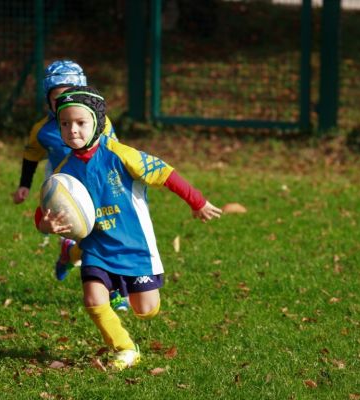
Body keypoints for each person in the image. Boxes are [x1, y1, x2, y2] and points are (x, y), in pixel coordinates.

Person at [36, 86, 223, 370]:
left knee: (145, 310)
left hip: (134, 246)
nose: (72, 130)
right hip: (97, 245)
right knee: (92, 298)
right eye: (65, 123)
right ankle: (124, 348)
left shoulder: (121, 155)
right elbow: (43, 211)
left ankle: (70, 254)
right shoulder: (64, 170)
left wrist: (197, 202)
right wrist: (44, 224)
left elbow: (166, 173)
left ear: (97, 123)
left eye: (80, 122)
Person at [12, 60, 128, 310]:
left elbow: (115, 152)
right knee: (90, 237)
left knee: (107, 233)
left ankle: (114, 287)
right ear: (48, 100)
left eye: (70, 95)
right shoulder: (42, 131)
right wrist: (24, 186)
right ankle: (76, 257)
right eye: (57, 97)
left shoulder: (101, 122)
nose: (63, 102)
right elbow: (31, 156)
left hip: (97, 182)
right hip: (64, 187)